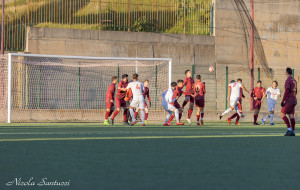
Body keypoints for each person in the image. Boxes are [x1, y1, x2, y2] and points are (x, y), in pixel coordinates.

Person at [281, 67, 297, 136]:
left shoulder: (288, 80)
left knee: (282, 114)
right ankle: (293, 131)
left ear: (286, 73)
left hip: (289, 99)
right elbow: (296, 91)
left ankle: (289, 129)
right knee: (291, 115)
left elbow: (287, 91)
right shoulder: (294, 80)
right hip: (294, 99)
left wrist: (283, 100)